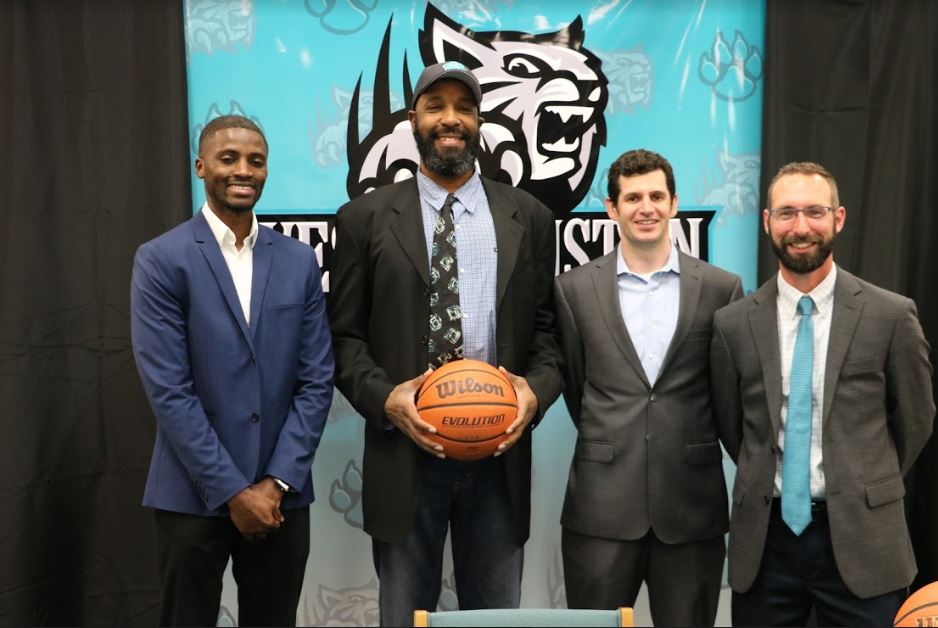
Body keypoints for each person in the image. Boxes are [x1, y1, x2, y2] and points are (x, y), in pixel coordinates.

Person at [328, 61, 563, 627]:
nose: (450, 119)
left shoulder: (530, 217)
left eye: (464, 107)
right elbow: (344, 339)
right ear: (413, 120)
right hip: (404, 455)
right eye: (436, 107)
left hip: (498, 457)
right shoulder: (363, 219)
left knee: (494, 621)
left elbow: (549, 336)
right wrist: (387, 399)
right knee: (405, 618)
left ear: (479, 121)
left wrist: (534, 394)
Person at [131, 115, 334, 626]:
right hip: (190, 493)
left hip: (280, 498)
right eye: (229, 158)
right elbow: (169, 390)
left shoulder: (299, 261)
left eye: (255, 161)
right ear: (201, 166)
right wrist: (233, 492)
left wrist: (276, 483)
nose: (243, 170)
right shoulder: (161, 259)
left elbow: (316, 381)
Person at [711, 161, 935, 626]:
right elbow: (733, 426)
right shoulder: (733, 324)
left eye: (815, 211)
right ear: (767, 221)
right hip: (766, 544)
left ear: (839, 218)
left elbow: (915, 420)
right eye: (786, 213)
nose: (801, 228)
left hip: (864, 537)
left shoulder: (890, 316)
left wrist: (865, 480)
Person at [554, 149, 742, 626]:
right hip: (601, 509)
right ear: (612, 208)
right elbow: (577, 387)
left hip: (691, 509)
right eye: (633, 198)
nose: (646, 208)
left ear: (674, 204)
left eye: (657, 196)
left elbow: (726, 395)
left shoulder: (721, 289)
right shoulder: (573, 291)